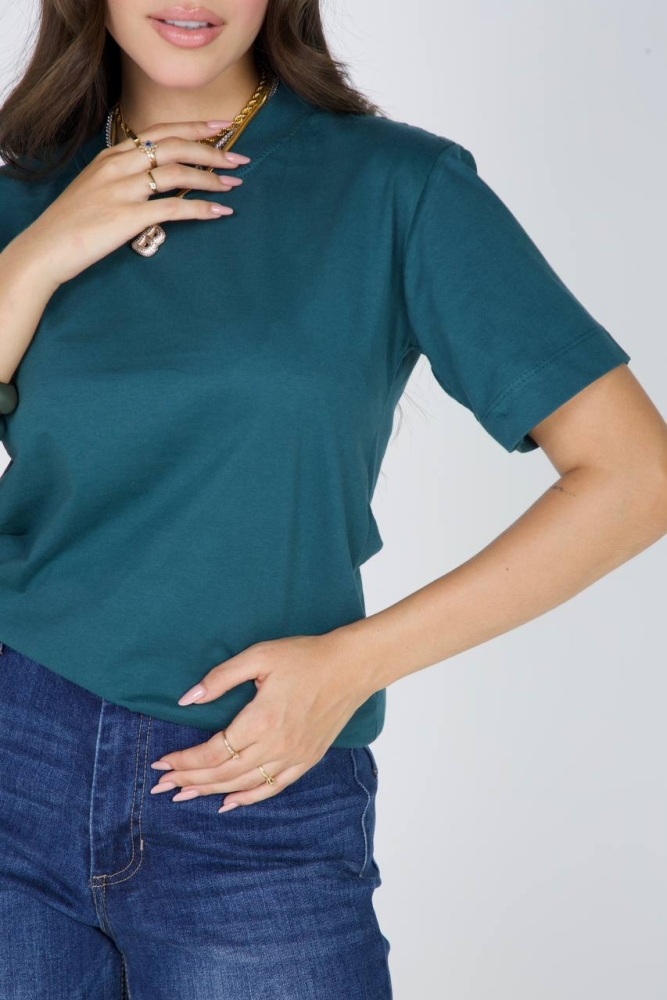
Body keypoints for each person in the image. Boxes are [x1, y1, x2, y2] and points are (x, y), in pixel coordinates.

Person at [0, 1, 665, 997]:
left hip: (254, 787)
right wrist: (38, 254)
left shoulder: (395, 186)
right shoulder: (23, 196)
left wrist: (352, 665)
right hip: (17, 749)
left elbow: (634, 476)